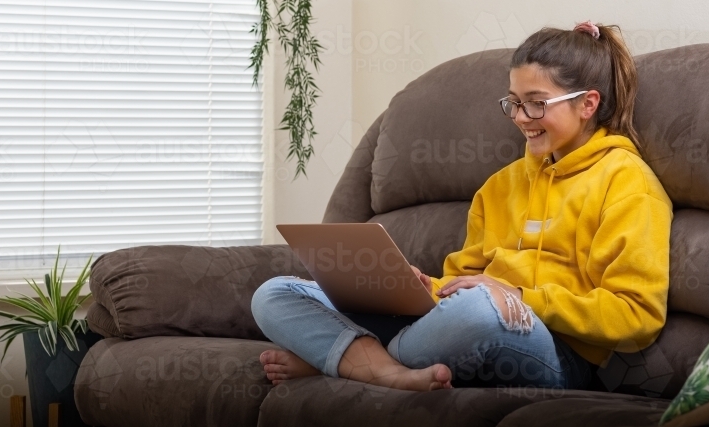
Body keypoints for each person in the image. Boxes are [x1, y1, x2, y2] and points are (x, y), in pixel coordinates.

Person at [251, 21, 673, 392]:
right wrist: (423, 288)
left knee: (478, 310)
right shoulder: (499, 186)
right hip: (464, 324)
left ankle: (347, 363)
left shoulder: (627, 183)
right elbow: (462, 282)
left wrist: (520, 296)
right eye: (514, 101)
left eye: (537, 102)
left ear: (588, 104)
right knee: (276, 294)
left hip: (557, 351)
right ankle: (379, 368)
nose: (522, 116)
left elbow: (637, 316)